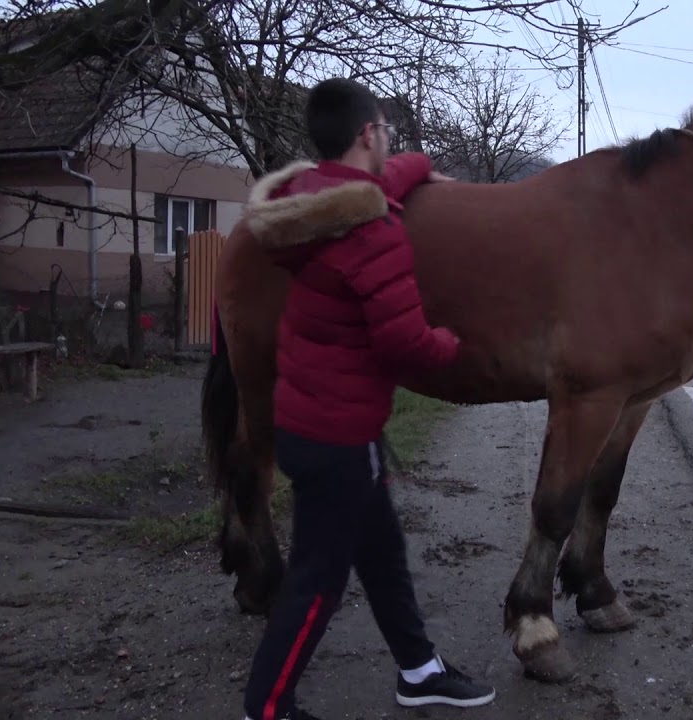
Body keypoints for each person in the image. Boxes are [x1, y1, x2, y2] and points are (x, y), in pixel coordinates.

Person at [238, 77, 495, 720]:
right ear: (367, 135)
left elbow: (385, 182)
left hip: (312, 420)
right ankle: (266, 708)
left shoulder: (310, 201)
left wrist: (423, 166)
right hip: (338, 439)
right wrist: (466, 348)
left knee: (381, 553)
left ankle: (419, 670)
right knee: (318, 582)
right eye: (385, 131)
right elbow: (406, 344)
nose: (390, 143)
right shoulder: (371, 234)